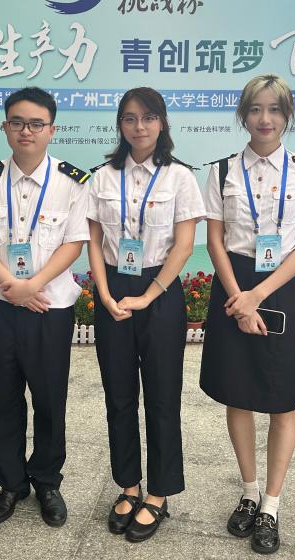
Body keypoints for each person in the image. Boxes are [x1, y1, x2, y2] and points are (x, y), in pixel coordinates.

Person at [201, 74, 295, 555]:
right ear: (243, 115)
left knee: (281, 399)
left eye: (275, 109)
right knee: (238, 395)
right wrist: (239, 297)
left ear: (287, 116)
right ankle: (249, 492)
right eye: (255, 109)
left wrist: (257, 296)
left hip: (280, 286)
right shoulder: (221, 172)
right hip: (232, 283)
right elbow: (215, 241)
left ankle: (272, 504)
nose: (265, 119)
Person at [0, 86, 90, 528]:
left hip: (50, 309)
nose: (26, 131)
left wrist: (32, 285)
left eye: (36, 123)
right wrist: (12, 286)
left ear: (52, 129)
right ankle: (11, 483)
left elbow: (74, 244)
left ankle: (47, 481)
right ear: (5, 127)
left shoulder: (71, 182)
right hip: (0, 308)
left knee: (49, 400)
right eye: (17, 122)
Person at [86, 88, 205, 542]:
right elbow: (94, 241)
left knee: (161, 395)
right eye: (130, 118)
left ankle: (158, 493)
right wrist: (104, 292)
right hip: (113, 290)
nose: (139, 127)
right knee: (118, 394)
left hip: (161, 291)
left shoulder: (180, 177)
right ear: (119, 124)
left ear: (162, 123)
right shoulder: (102, 177)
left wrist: (149, 295)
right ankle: (128, 486)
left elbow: (184, 246)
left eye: (149, 117)